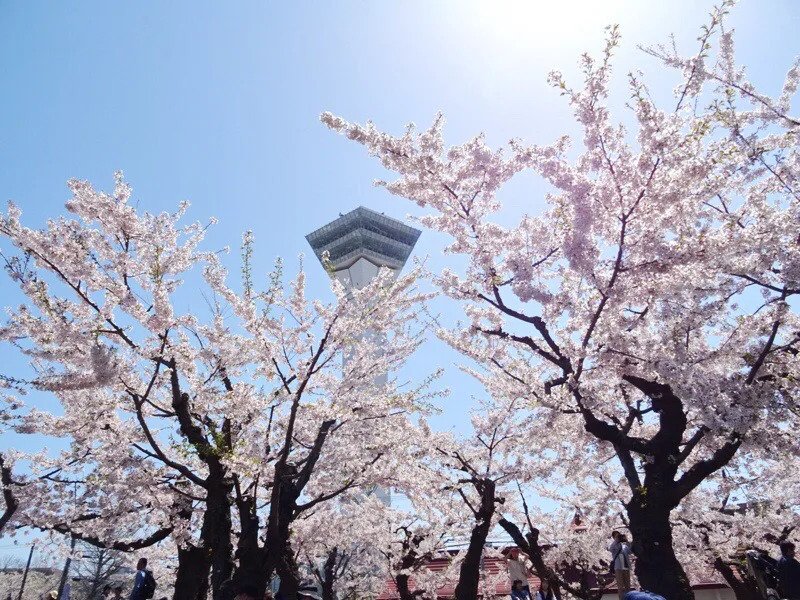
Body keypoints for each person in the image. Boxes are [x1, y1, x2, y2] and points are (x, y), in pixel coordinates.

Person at [609, 531, 632, 600]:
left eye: (619, 535)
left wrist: (627, 541)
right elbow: (611, 549)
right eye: (616, 536)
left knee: (628, 586)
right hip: (618, 568)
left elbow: (630, 551)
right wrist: (616, 540)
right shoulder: (614, 546)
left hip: (626, 567)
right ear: (613, 538)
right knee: (620, 586)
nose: (618, 537)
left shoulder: (624, 546)